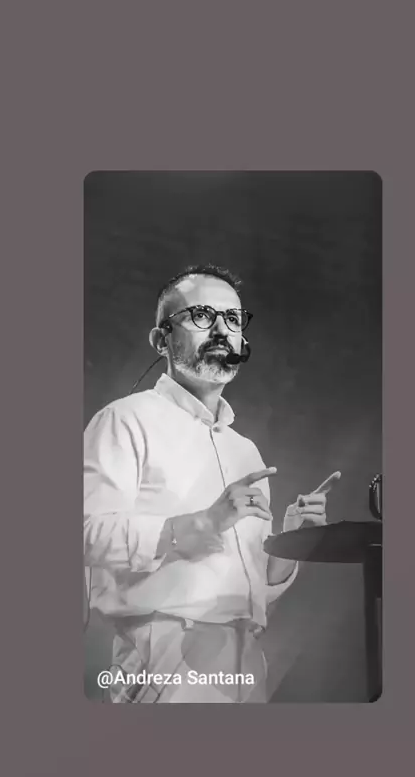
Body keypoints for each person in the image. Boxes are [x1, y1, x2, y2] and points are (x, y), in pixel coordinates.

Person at [84, 264, 340, 703]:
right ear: (161, 339)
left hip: (246, 658)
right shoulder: (125, 420)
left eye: (233, 319)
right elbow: (85, 532)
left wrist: (288, 545)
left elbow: (252, 591)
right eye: (202, 315)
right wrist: (195, 525)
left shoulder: (246, 452)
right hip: (164, 653)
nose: (222, 329)